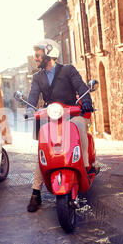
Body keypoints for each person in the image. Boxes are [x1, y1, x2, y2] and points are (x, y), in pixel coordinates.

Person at [24, 38, 94, 212]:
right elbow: (33, 96)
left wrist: (85, 101)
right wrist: (28, 109)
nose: (35, 57)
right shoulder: (37, 77)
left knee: (79, 127)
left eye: (38, 54)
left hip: (72, 114)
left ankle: (85, 166)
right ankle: (36, 191)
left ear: (49, 53)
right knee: (43, 148)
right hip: (51, 116)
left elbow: (80, 85)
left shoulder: (68, 70)